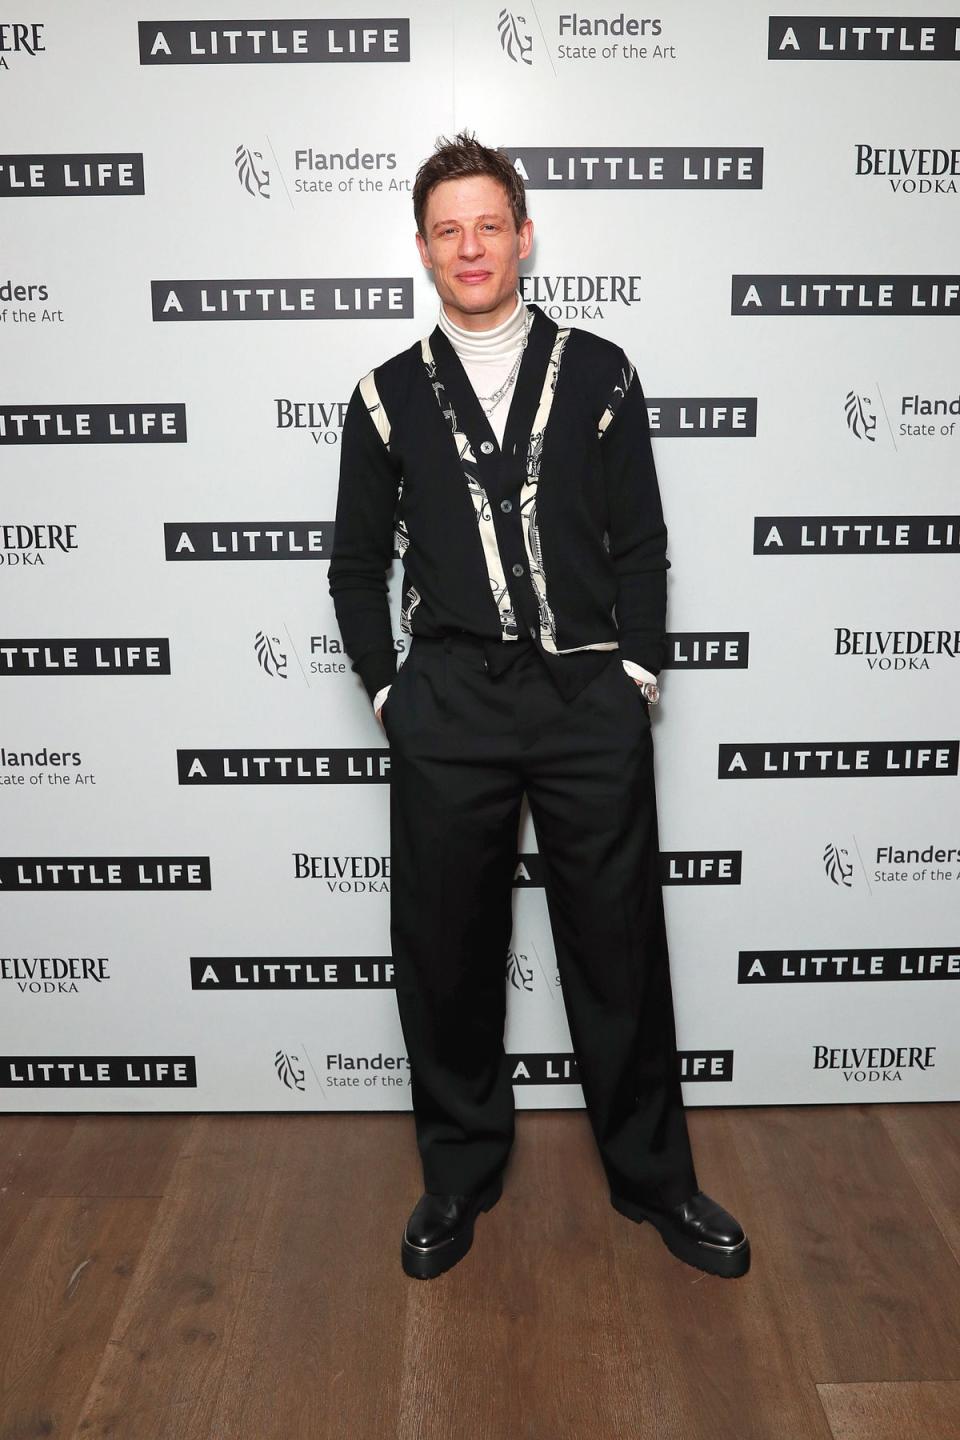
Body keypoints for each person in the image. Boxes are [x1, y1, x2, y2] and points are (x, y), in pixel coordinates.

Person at [328, 130, 749, 1282]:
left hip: (584, 698)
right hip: (451, 701)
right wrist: (390, 694)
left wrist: (638, 676)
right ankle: (458, 1177)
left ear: (525, 235)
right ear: (422, 249)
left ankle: (657, 1181)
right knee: (448, 949)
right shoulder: (383, 398)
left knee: (616, 945)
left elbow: (644, 542)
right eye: (448, 230)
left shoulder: (602, 373)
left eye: (490, 224)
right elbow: (356, 567)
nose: (472, 247)